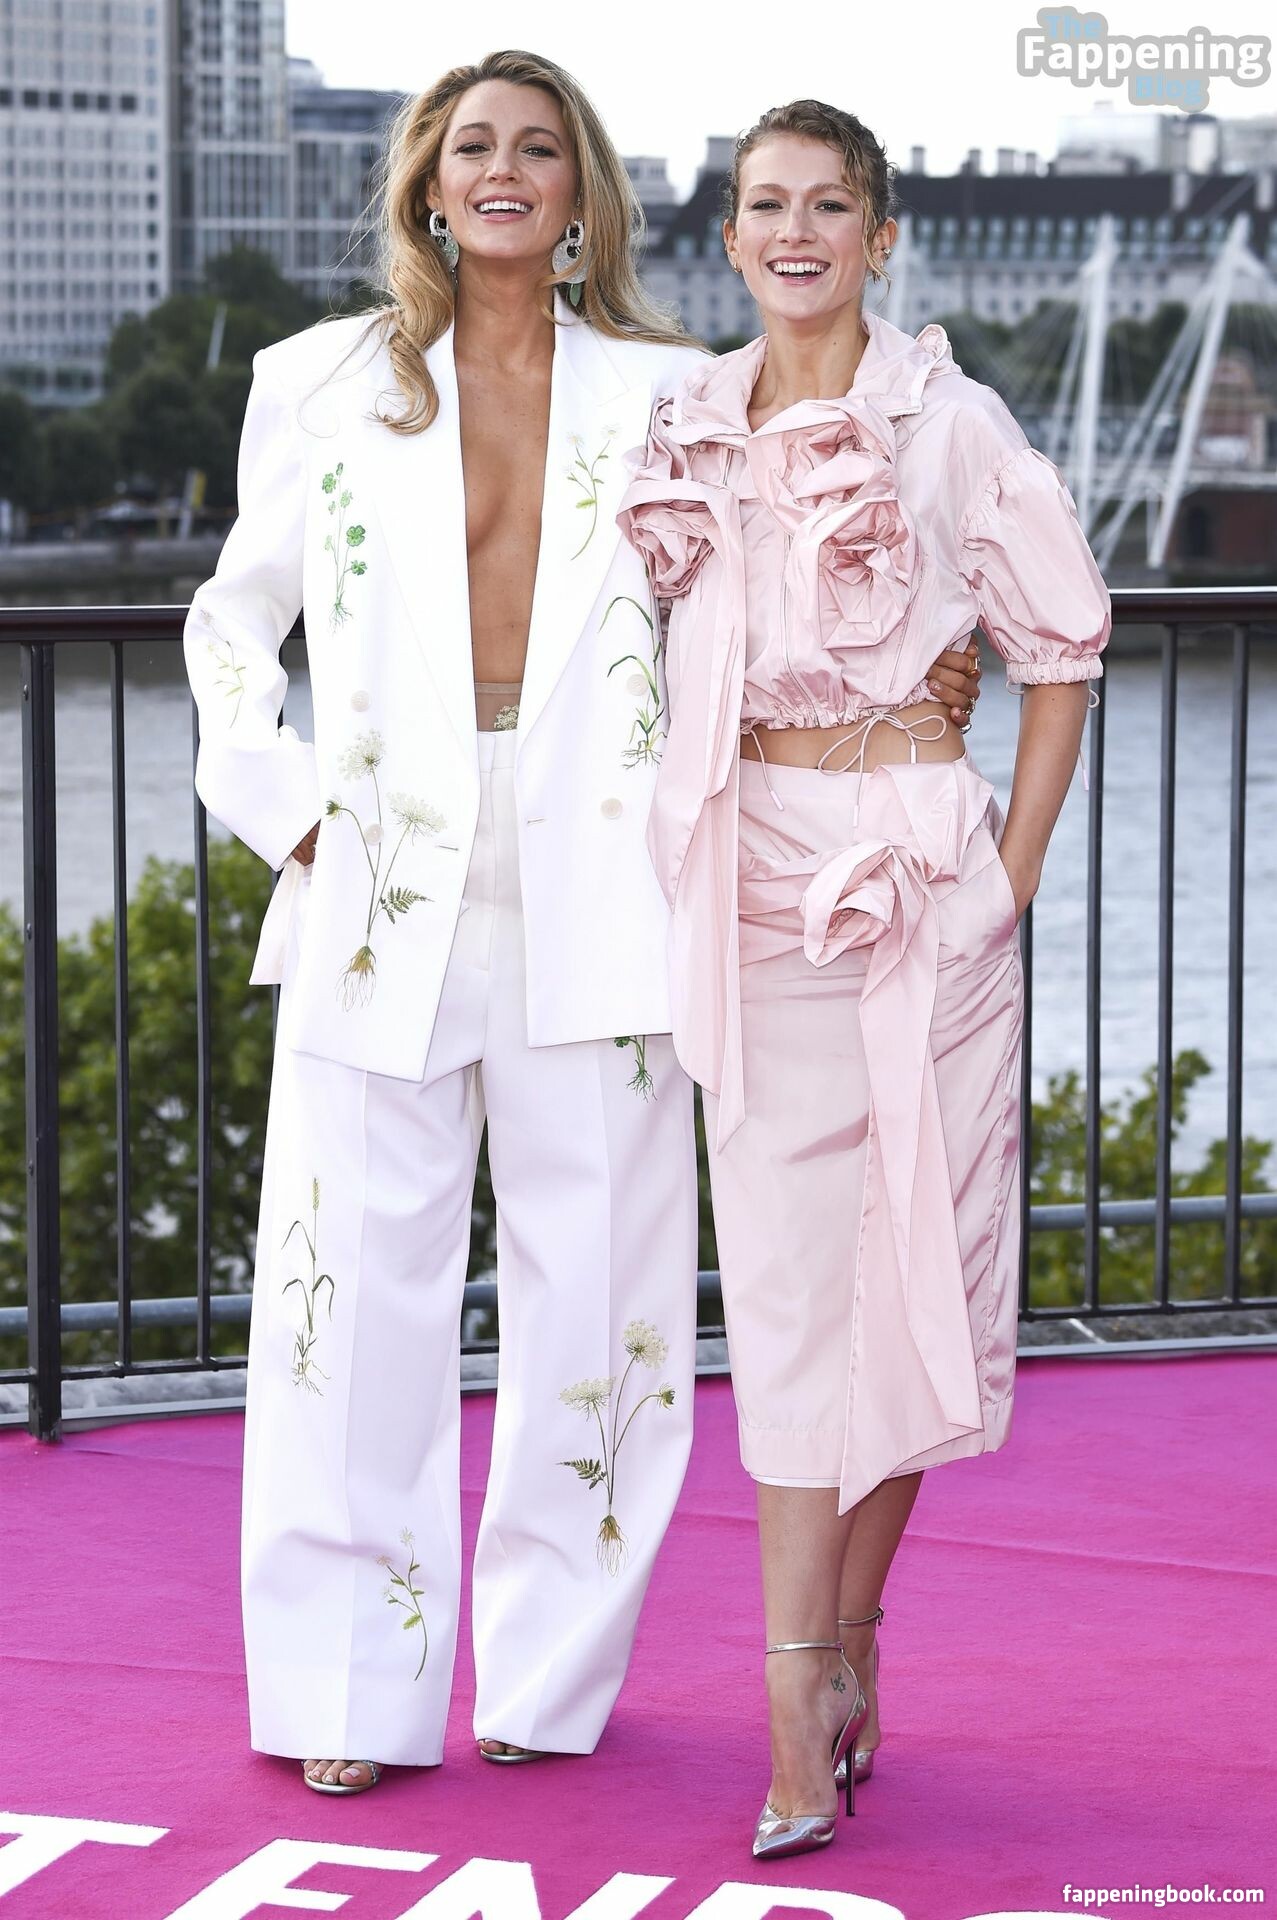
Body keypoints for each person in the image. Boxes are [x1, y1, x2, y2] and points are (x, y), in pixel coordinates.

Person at [184, 54, 983, 1795]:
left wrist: (920, 668)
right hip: (378, 886)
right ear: (425, 179)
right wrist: (286, 808)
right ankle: (344, 1698)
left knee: (603, 1304)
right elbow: (231, 623)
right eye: (472, 145)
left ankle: (542, 1685)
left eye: (538, 148)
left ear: (579, 193)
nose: (504, 169)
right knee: (344, 1305)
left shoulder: (666, 392)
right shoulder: (315, 380)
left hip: (611, 888)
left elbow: (792, 561)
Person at [618, 98, 1111, 1860]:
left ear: (879, 236)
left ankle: (834, 1649)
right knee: (780, 1303)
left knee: (912, 1288)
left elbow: (1062, 647)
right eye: (766, 204)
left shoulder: (949, 424)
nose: (796, 231)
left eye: (829, 205)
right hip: (749, 887)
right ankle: (795, 1685)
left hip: (918, 885)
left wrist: (1007, 881)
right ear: (729, 237)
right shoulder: (688, 420)